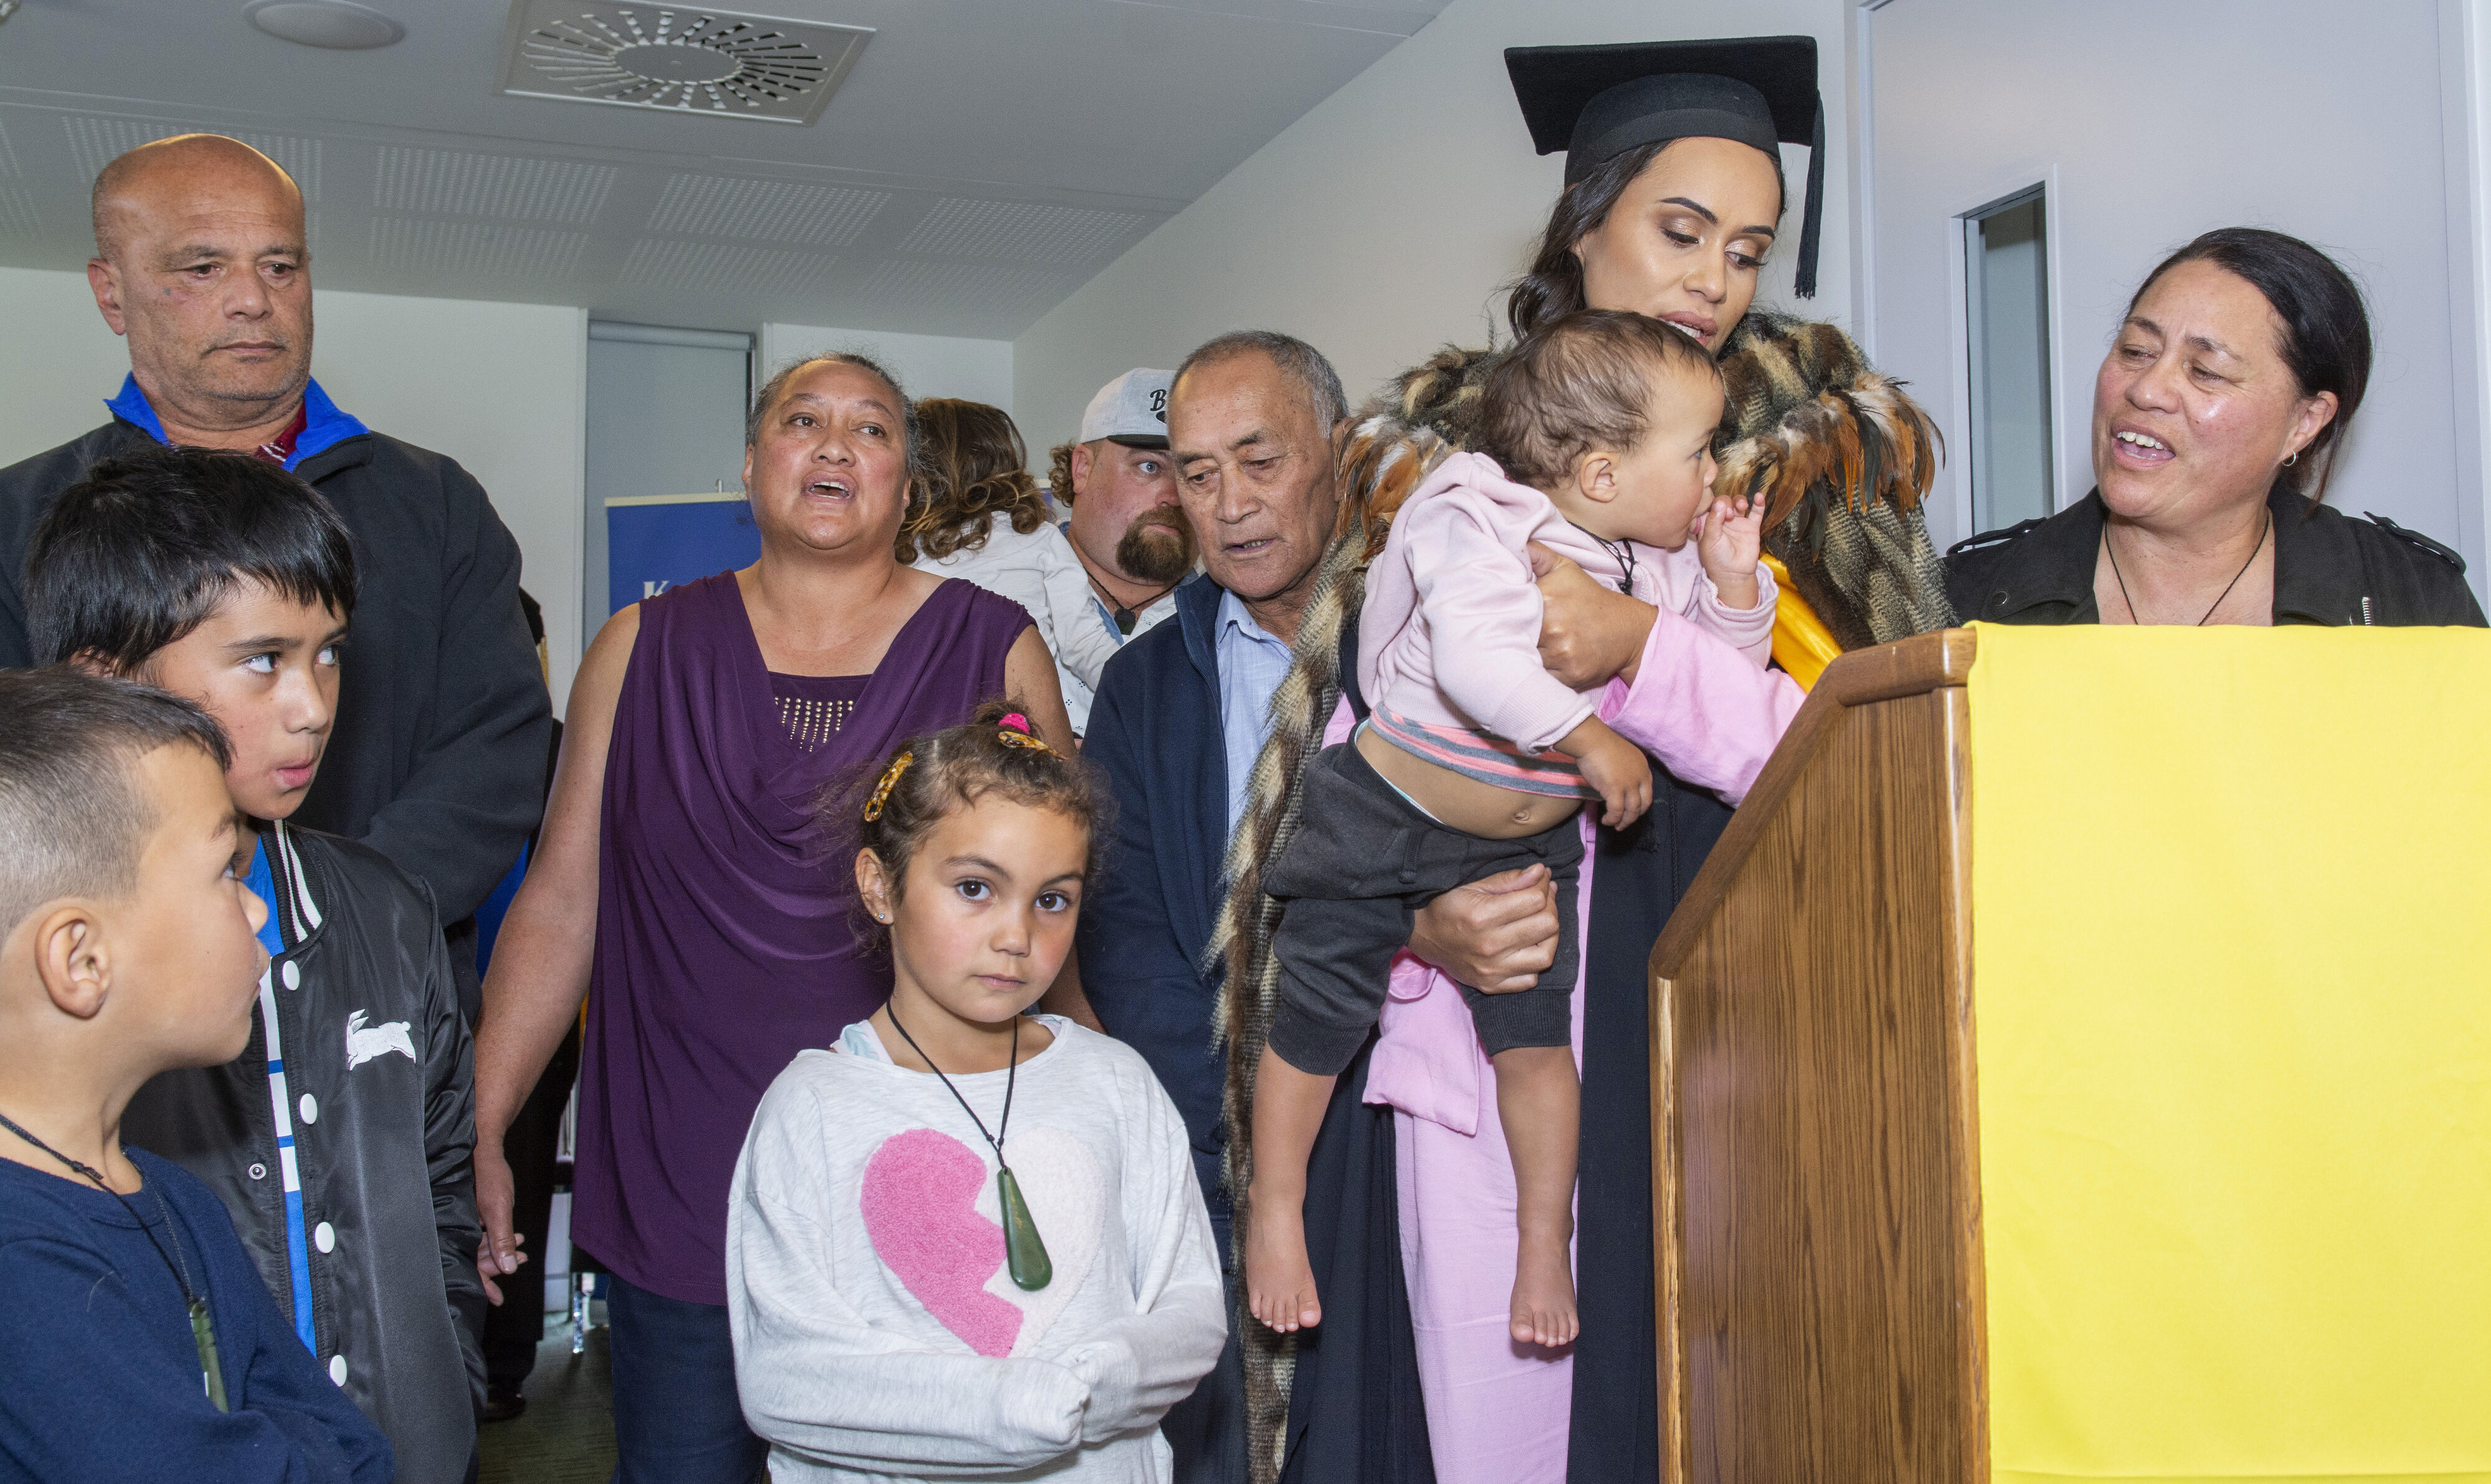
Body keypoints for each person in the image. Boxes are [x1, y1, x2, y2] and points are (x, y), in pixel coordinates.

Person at [1212, 36, 1884, 1483]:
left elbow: (1830, 774)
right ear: (1584, 230)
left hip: (1724, 1029)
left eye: (1749, 250)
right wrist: (1415, 922)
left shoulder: (1816, 482)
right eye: (1679, 229)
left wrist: (1642, 635)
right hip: (1498, 992)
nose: (1713, 276)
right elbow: (1353, 778)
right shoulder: (1443, 475)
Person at [470, 352, 1073, 1483]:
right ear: (752, 467)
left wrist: (1090, 1126)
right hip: (687, 1173)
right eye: (803, 421)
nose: (835, 445)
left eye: (871, 429)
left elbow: (1060, 908)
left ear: (907, 482)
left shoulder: (991, 646)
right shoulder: (637, 648)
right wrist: (489, 1120)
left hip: (921, 1173)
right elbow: (560, 899)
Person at [1245, 310, 1775, 1355]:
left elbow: (1715, 684)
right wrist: (1587, 740)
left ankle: (1543, 1241)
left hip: (1520, 847)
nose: (1713, 469)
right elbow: (1475, 665)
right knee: (1314, 1018)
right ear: (1599, 469)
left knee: (1536, 1051)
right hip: (1385, 816)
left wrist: (1726, 587)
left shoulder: (1643, 560)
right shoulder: (1472, 517)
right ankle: (1272, 1204)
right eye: (1696, 449)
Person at [0, 133, 551, 1026]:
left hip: (389, 1005)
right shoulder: (24, 513)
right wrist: (204, 914)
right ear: (112, 292)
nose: (254, 300)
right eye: (203, 268)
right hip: (120, 1015)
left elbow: (495, 748)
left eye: (281, 266)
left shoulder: (435, 502)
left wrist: (331, 912)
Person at [24, 447, 485, 1484]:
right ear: (106, 677)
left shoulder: (386, 906)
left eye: (328, 654)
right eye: (262, 659)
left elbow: (441, 1170)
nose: (312, 703)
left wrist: (443, 1378)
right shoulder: (51, 946)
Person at [728, 704, 1227, 1481]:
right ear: (879, 885)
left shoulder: (1116, 1081)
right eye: (974, 887)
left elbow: (1190, 1308)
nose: (1017, 936)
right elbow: (787, 1378)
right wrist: (1013, 1406)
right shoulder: (812, 1108)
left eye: (1052, 899)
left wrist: (1093, 1380)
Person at [0, 668, 394, 1483]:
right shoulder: (21, 1265)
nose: (256, 907)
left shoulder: (175, 1199)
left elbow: (360, 1450)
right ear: (80, 958)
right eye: (225, 871)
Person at [1948, 227, 2487, 628]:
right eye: (2135, 351)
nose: (2146, 389)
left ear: (2304, 422)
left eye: (2205, 371)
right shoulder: (1959, 600)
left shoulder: (2408, 599)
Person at [904, 399, 1127, 734]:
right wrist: (1143, 693)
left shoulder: (906, 551)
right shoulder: (1039, 538)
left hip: (942, 728)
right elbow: (1084, 644)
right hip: (1038, 725)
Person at [1047, 370, 1194, 732]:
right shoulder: (995, 589)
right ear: (1082, 469)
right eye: (1149, 467)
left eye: (1196, 475)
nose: (1174, 496)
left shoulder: (1234, 625)